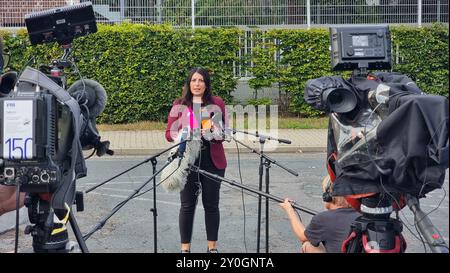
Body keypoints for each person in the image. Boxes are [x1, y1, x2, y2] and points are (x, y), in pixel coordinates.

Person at [165, 67, 227, 253]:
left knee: (211, 205)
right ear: (189, 83)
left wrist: (213, 131)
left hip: (212, 161)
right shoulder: (180, 104)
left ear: (206, 84)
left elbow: (223, 134)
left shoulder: (216, 103)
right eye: (194, 80)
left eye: (201, 80)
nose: (197, 84)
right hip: (187, 161)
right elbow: (169, 134)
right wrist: (184, 132)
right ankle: (185, 250)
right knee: (187, 205)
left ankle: (212, 249)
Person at [279, 175, 360, 253]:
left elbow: (302, 236)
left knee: (308, 245)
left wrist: (289, 210)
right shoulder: (363, 214)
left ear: (328, 196)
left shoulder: (324, 218)